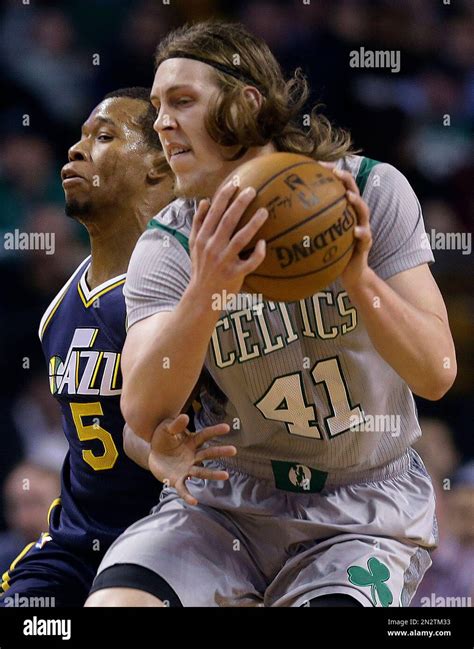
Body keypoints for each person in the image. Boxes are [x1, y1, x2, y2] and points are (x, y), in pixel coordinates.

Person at [86, 22, 457, 608]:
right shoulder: (167, 245)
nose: (160, 121)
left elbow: (437, 373)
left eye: (182, 101)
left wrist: (357, 277)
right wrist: (207, 288)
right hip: (227, 503)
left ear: (245, 104)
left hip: (361, 506)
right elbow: (142, 409)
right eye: (156, 107)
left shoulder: (370, 193)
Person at [0, 87, 180, 607]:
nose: (75, 152)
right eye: (78, 139)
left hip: (174, 542)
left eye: (103, 137)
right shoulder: (58, 305)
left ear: (158, 169)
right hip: (75, 546)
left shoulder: (183, 291)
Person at [0, 462, 60, 573]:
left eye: (34, 504)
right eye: (13, 506)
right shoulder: (4, 558)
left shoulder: (89, 559)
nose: (23, 519)